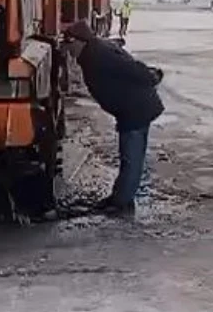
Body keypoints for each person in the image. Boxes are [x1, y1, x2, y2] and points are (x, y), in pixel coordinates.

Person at [63, 20, 165, 217]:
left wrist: (150, 76)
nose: (68, 50)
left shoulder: (98, 54)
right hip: (132, 107)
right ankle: (120, 198)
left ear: (80, 41)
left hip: (135, 109)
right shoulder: (92, 52)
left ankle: (122, 204)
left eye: (70, 45)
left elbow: (130, 68)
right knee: (130, 156)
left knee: (131, 159)